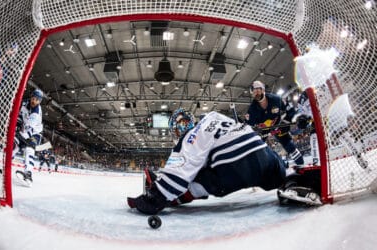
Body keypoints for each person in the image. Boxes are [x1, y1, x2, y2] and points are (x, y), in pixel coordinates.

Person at [127, 108, 321, 215]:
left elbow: (181, 170)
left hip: (234, 167)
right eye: (181, 126)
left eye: (182, 126)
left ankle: (174, 197)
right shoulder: (215, 116)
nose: (182, 129)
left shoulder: (191, 136)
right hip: (263, 153)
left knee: (197, 180)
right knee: (278, 174)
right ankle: (298, 181)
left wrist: (156, 196)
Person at [245, 81, 304, 166]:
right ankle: (279, 164)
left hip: (278, 125)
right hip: (264, 130)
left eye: (258, 90)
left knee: (289, 145)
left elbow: (290, 110)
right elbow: (248, 126)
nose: (256, 94)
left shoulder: (276, 99)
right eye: (254, 92)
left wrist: (294, 119)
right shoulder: (252, 110)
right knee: (259, 151)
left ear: (263, 90)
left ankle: (301, 165)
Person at [12, 89, 44, 182]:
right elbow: (19, 116)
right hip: (25, 129)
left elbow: (30, 129)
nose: (34, 101)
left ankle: (28, 173)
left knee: (29, 148)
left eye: (37, 100)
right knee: (14, 146)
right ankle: (6, 165)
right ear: (31, 97)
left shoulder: (36, 112)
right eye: (33, 98)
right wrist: (17, 125)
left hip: (35, 133)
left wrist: (20, 135)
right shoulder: (24, 103)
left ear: (40, 101)